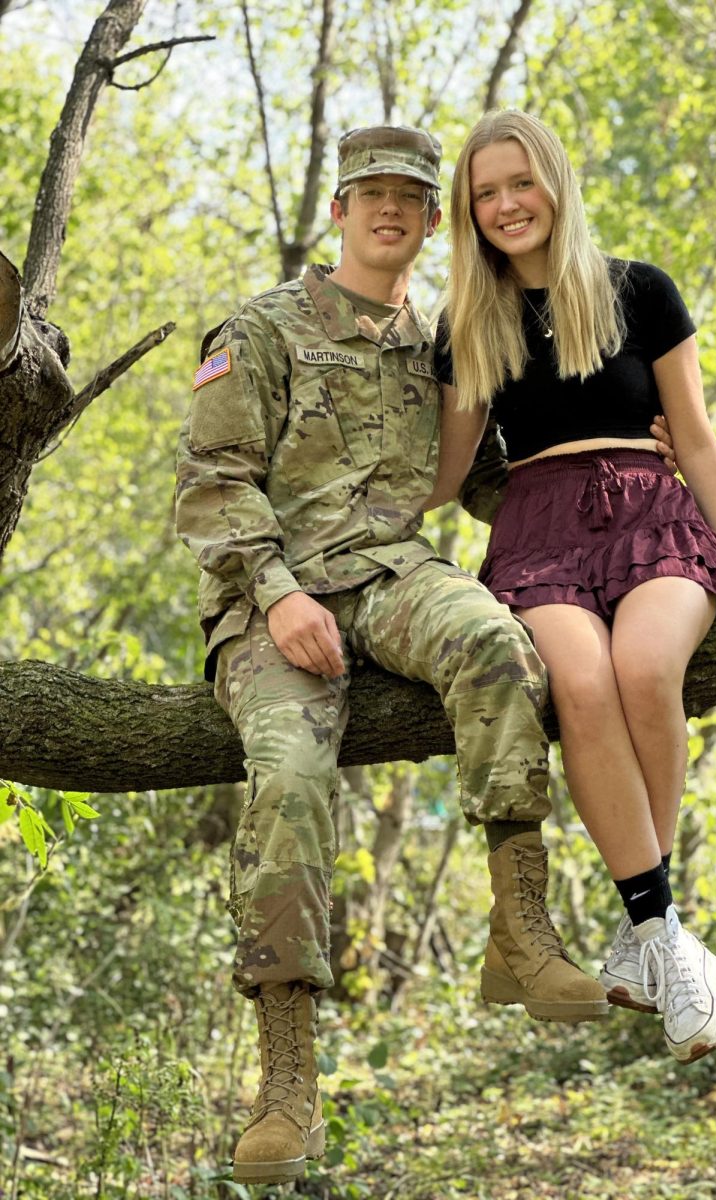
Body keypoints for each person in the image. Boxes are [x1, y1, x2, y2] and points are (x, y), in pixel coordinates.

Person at [175, 125, 677, 1186]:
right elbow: (213, 487)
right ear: (340, 211)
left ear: (429, 217)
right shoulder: (259, 329)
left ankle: (519, 932)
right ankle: (287, 1084)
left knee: (498, 641)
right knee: (294, 776)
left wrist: (632, 469)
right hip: (275, 606)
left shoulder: (448, 338)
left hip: (399, 578)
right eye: (372, 195)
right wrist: (276, 595)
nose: (391, 211)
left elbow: (494, 473)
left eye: (410, 195)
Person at [432, 109, 716, 1066]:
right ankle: (665, 938)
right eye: (486, 193)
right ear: (469, 213)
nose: (507, 204)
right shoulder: (466, 325)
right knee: (582, 682)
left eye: (521, 182)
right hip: (539, 532)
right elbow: (440, 475)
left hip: (653, 515)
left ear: (554, 183)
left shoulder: (640, 290)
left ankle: (654, 936)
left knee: (645, 668)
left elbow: (694, 434)